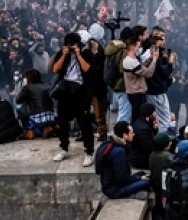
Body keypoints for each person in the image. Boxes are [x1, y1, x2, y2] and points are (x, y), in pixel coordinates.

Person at [50, 32, 96, 167]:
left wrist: (78, 54)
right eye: (68, 45)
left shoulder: (86, 54)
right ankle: (64, 147)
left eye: (73, 45)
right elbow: (55, 69)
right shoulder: (62, 53)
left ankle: (89, 152)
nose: (70, 47)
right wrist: (64, 55)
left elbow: (87, 69)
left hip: (80, 92)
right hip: (65, 91)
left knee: (84, 123)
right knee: (62, 121)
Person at [95, 121, 151, 200]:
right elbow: (122, 179)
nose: (134, 135)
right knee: (147, 181)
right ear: (125, 135)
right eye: (131, 133)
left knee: (142, 173)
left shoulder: (109, 143)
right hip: (115, 189)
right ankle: (132, 194)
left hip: (110, 185)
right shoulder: (119, 152)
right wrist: (140, 178)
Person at [129, 102, 158, 170]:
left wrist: (155, 129)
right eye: (154, 112)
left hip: (138, 157)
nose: (155, 114)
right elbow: (149, 148)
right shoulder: (143, 129)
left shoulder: (141, 122)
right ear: (149, 113)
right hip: (140, 160)